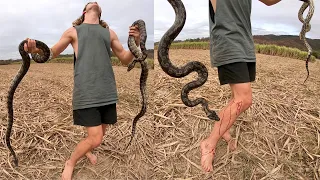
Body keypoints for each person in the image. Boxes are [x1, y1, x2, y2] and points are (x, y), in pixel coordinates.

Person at [23, 2, 141, 179]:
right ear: (85, 11)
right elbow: (52, 52)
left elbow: (125, 58)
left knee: (99, 134)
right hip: (86, 93)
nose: (94, 2)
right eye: (90, 2)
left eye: (97, 3)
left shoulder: (109, 33)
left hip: (107, 92)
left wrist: (136, 42)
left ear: (99, 12)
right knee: (96, 138)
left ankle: (87, 151)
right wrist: (35, 50)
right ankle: (70, 162)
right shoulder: (73, 31)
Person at [200, 0, 286, 172]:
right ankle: (208, 143)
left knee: (236, 98)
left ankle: (223, 128)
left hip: (245, 42)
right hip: (228, 41)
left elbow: (269, 1)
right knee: (244, 99)